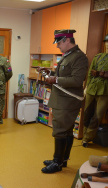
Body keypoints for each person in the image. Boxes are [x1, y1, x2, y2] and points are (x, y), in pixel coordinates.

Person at [41, 29, 88, 173]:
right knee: (66, 131)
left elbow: (77, 80)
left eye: (59, 42)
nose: (57, 46)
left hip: (68, 101)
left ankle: (57, 162)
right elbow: (65, 75)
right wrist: (52, 73)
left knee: (60, 131)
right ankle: (62, 160)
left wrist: (55, 79)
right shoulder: (68, 56)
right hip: (62, 99)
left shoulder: (79, 57)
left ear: (67, 40)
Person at [82, 34, 108, 147]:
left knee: (97, 116)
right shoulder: (98, 57)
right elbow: (90, 73)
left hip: (105, 91)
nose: (107, 44)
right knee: (87, 113)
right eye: (106, 42)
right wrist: (86, 87)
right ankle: (84, 136)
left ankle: (88, 138)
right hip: (92, 89)